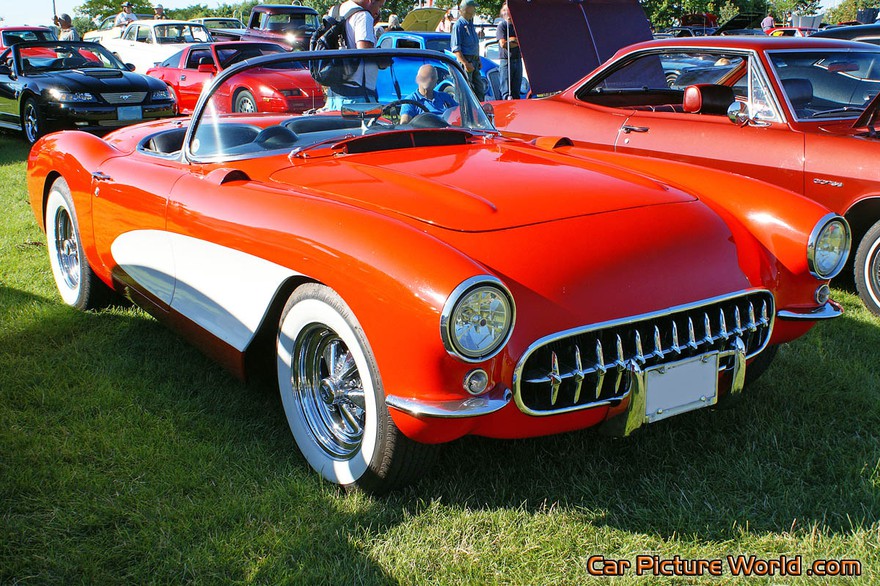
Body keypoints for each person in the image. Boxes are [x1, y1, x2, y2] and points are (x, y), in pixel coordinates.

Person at [323, 0, 386, 109]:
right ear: (371, 1)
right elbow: (364, 51)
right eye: (379, 6)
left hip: (335, 91)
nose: (377, 12)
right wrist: (382, 59)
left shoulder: (335, 10)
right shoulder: (363, 16)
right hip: (358, 94)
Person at [451, 0, 483, 101]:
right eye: (473, 7)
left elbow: (474, 45)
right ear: (467, 9)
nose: (474, 10)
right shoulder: (458, 25)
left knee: (479, 90)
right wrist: (465, 63)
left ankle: (480, 114)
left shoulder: (470, 24)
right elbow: (456, 49)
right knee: (465, 91)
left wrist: (478, 60)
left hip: (474, 61)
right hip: (466, 61)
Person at [495, 2, 521, 100]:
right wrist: (514, 40)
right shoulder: (502, 26)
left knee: (516, 92)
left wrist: (512, 40)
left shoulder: (517, 26)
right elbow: (503, 44)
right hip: (506, 61)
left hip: (517, 60)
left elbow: (521, 41)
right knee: (506, 92)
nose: (508, 12)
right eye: (506, 10)